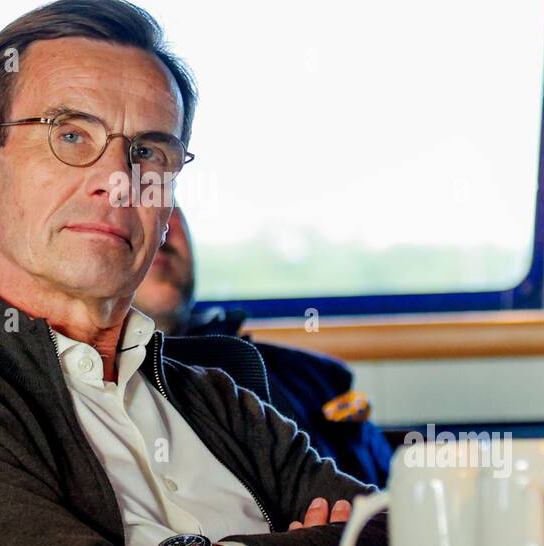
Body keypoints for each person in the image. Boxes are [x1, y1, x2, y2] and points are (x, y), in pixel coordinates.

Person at [0, 0, 389, 546]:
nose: (118, 180)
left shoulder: (217, 399)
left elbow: (405, 542)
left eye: (149, 151)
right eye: (71, 136)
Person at [134, 206, 392, 488]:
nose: (159, 224)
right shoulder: (89, 400)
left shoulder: (318, 380)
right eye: (129, 205)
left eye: (168, 204)